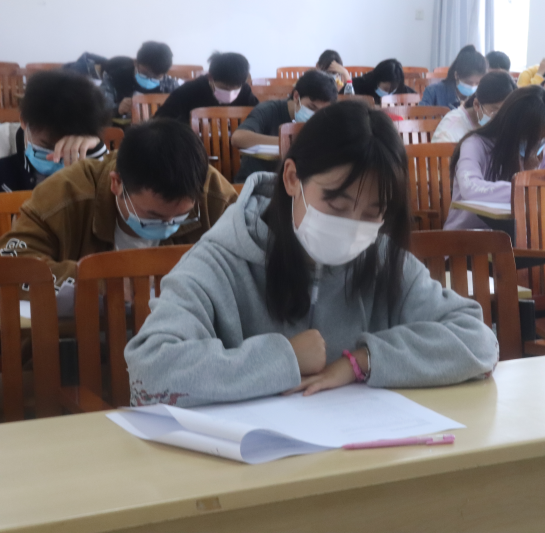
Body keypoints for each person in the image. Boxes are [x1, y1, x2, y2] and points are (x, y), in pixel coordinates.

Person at [124, 101, 498, 407]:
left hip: (361, 454)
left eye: (373, 213)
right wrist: (284, 357)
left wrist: (361, 361)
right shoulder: (221, 259)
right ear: (291, 178)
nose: (352, 226)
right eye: (336, 205)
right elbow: (149, 371)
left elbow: (478, 341)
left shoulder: (381, 257)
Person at [0, 119, 238, 313]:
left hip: (184, 333)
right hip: (81, 334)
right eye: (152, 216)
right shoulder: (66, 193)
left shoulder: (212, 193)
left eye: (180, 217)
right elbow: (10, 265)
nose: (167, 226)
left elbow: (249, 261)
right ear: (116, 183)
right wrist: (98, 279)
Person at [444, 86, 545, 230]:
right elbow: (470, 189)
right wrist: (526, 190)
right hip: (470, 234)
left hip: (522, 234)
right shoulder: (475, 144)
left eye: (542, 138)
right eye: (530, 138)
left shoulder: (543, 147)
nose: (536, 145)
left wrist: (531, 174)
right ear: (512, 129)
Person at [0, 71, 109, 192]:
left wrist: (97, 152)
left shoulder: (89, 148)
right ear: (24, 121)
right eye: (47, 146)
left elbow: (115, 194)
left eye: (68, 146)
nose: (56, 157)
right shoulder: (3, 147)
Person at [232, 70, 338, 182]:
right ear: (296, 96)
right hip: (257, 181)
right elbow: (238, 138)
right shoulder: (269, 110)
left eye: (321, 112)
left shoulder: (325, 118)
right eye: (311, 107)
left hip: (294, 183)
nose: (315, 115)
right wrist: (288, 142)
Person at [155, 52, 258, 123]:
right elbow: (161, 120)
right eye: (225, 88)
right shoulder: (188, 91)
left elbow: (258, 116)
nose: (231, 92)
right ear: (210, 77)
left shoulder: (244, 90)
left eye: (236, 88)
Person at [100, 42, 181, 118]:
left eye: (156, 77)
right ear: (136, 63)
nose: (150, 78)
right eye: (145, 74)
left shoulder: (171, 86)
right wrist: (117, 109)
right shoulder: (114, 78)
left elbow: (180, 113)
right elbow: (100, 110)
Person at [432, 71, 516, 143]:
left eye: (505, 112)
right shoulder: (450, 130)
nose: (500, 118)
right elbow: (439, 155)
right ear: (476, 105)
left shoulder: (504, 125)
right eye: (494, 111)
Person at [421, 45, 487, 109]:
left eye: (477, 83)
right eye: (468, 82)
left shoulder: (482, 97)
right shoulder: (433, 92)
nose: (472, 87)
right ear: (456, 75)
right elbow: (421, 115)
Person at [346, 59, 416, 105]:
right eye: (386, 89)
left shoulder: (406, 92)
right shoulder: (357, 86)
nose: (389, 93)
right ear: (377, 80)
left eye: (393, 89)